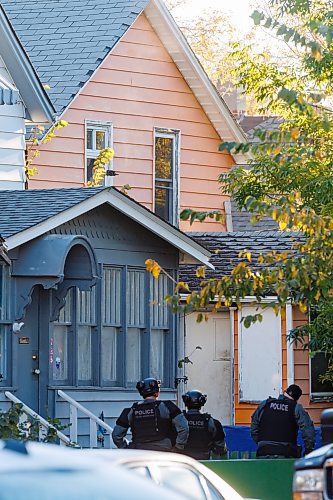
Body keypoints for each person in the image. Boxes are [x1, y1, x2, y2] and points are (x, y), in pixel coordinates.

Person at [112, 377, 189, 452]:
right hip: (163, 452)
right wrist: (178, 447)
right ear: (157, 392)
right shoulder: (167, 406)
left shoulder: (131, 411)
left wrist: (126, 448)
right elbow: (184, 427)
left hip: (139, 452)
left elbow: (116, 435)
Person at [251, 384, 316, 459]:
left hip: (263, 452)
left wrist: (263, 444)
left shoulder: (265, 404)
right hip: (286, 454)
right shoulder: (296, 407)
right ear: (297, 399)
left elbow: (254, 429)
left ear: (285, 392)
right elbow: (308, 431)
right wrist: (308, 450)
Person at [182, 390, 227, 460]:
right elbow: (220, 447)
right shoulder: (210, 422)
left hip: (183, 462)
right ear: (202, 402)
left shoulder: (180, 420)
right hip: (205, 461)